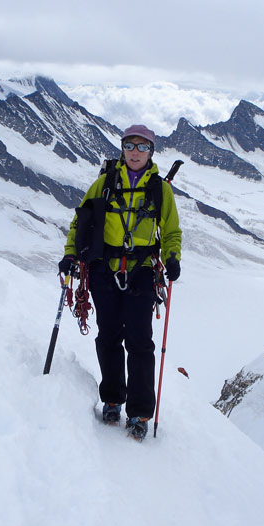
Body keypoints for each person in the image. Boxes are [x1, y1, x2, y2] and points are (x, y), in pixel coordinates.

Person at [59, 124, 182, 440]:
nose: (135, 153)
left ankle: (140, 413)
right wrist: (71, 254)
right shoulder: (104, 183)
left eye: (142, 147)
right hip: (103, 271)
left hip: (142, 271)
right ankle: (112, 399)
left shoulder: (160, 189)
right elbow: (81, 222)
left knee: (140, 342)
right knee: (109, 336)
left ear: (151, 152)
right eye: (130, 146)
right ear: (122, 149)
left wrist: (172, 257)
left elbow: (171, 231)